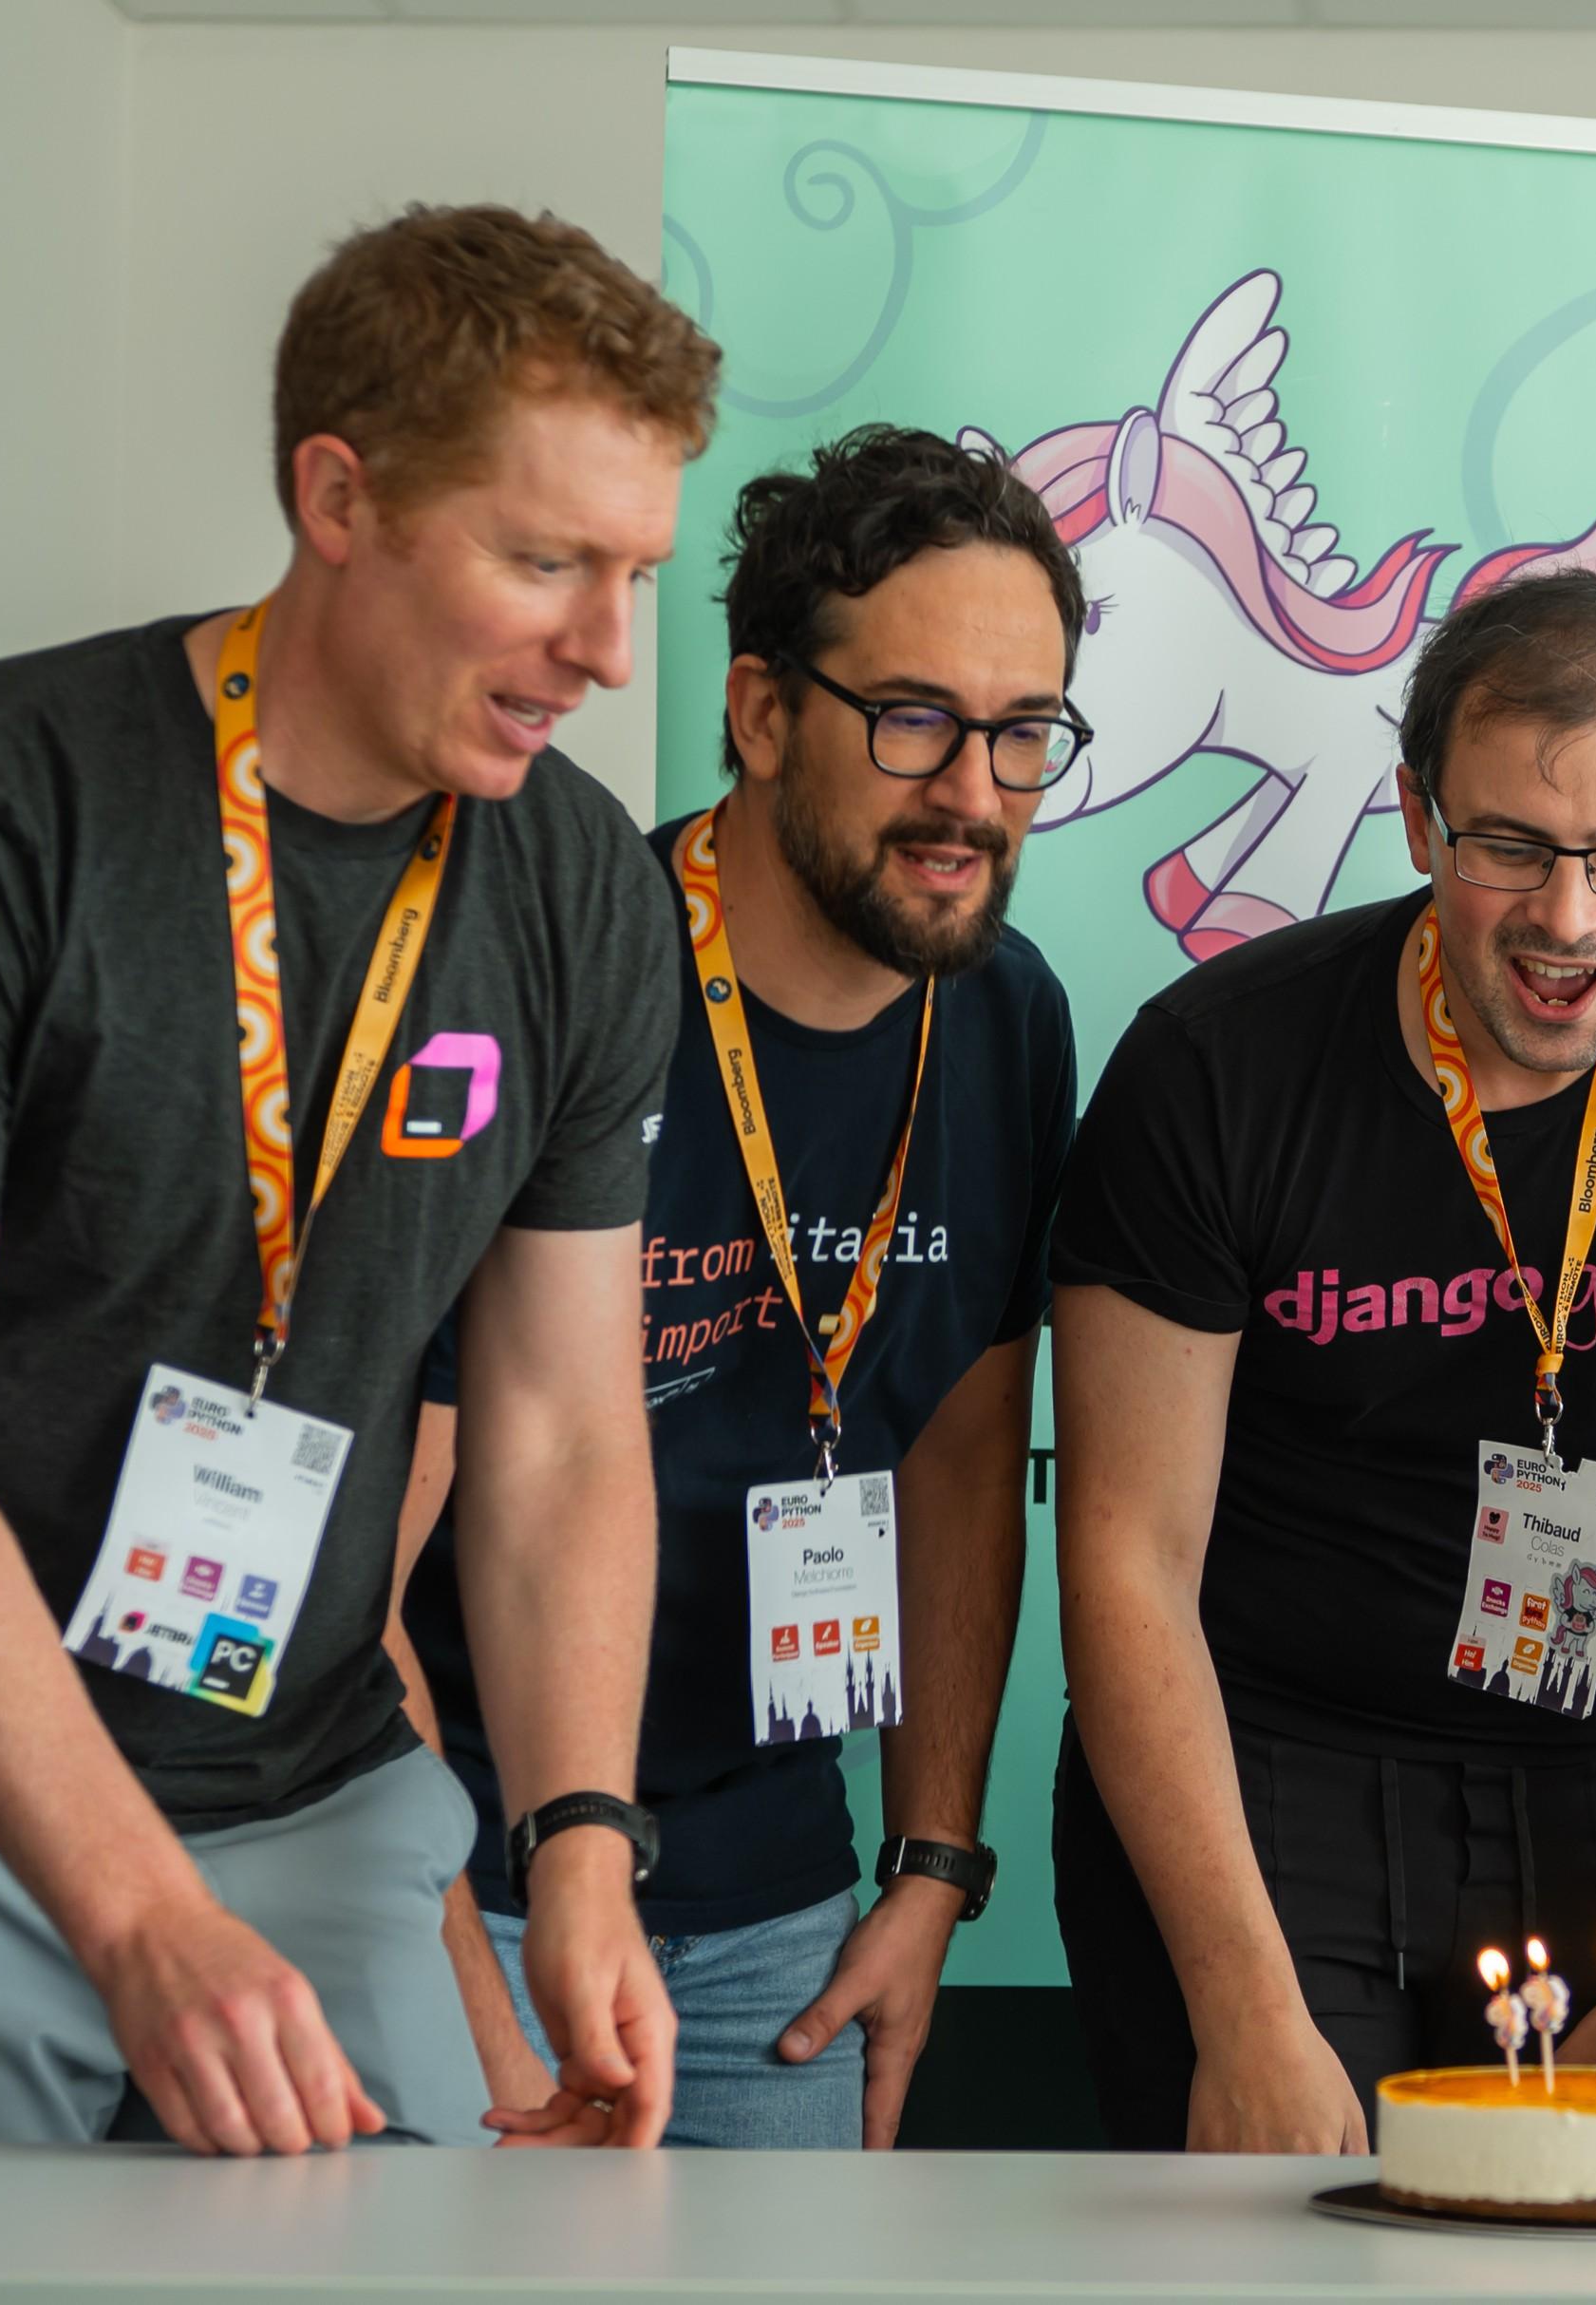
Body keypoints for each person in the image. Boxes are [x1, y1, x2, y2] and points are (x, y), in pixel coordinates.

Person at [0, 202, 717, 2210]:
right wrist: (139, 1919)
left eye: (635, 576)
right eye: (544, 562)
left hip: (308, 1781)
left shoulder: (585, 895)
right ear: (338, 495)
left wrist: (577, 1843)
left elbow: (561, 1430)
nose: (604, 650)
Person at [1050, 570, 1596, 2151]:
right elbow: (1123, 1551)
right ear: (1421, 819)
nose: (1568, 920)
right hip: (1258, 1779)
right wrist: (1241, 2005)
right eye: (1510, 844)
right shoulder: (1213, 1068)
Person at [390, 425, 1081, 2151]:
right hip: (468, 1868)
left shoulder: (1006, 1016)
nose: (975, 793)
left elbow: (958, 1452)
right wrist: (427, 1942)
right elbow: (364, 1553)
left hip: (781, 1901)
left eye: (1024, 735)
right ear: (763, 714)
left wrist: (929, 1867)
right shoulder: (558, 974)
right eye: (913, 719)